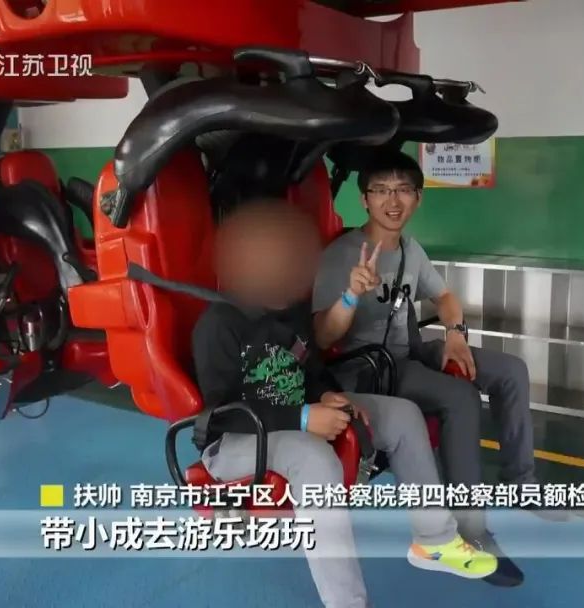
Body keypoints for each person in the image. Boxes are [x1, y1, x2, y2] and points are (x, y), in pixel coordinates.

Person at [193, 198, 498, 608]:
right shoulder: (217, 324)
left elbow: (309, 367)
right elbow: (220, 415)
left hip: (297, 413)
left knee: (403, 415)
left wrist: (326, 395)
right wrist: (305, 417)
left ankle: (434, 539)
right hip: (236, 439)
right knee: (315, 459)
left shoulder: (290, 310)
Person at [312, 149, 539, 587]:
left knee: (511, 370)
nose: (392, 200)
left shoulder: (410, 250)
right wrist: (350, 295)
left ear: (418, 198)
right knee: (460, 396)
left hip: (409, 350)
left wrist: (455, 332)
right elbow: (322, 337)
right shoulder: (342, 255)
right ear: (364, 199)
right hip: (368, 367)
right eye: (381, 190)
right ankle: (471, 531)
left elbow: (445, 297)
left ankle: (521, 483)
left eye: (403, 190)